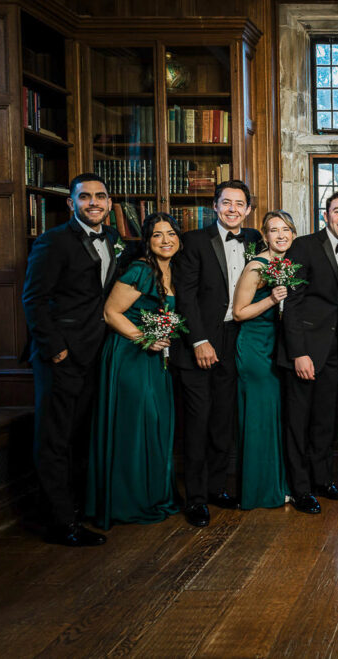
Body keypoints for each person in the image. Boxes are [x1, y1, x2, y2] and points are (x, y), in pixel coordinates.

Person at [22, 172, 121, 546]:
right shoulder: (53, 241)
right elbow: (33, 299)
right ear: (71, 203)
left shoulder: (113, 239)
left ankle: (78, 511)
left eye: (99, 196)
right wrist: (55, 349)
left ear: (109, 203)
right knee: (55, 439)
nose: (93, 203)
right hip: (61, 357)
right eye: (85, 197)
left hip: (97, 353)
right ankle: (61, 522)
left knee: (82, 437)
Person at [173, 180, 261, 527]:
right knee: (198, 421)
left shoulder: (255, 240)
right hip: (201, 342)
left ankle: (216, 488)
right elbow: (186, 295)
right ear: (215, 205)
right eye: (227, 203)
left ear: (248, 209)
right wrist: (198, 341)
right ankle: (195, 499)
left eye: (240, 204)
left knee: (224, 419)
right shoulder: (194, 241)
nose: (233, 209)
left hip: (238, 338)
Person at [86, 213, 181, 530]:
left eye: (170, 233)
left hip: (155, 358)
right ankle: (128, 501)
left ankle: (151, 494)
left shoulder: (172, 271)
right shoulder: (141, 270)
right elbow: (110, 312)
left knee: (154, 423)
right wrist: (146, 338)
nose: (165, 240)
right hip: (129, 355)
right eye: (157, 235)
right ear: (147, 241)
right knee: (134, 426)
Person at [280, 191, 338, 515]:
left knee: (324, 421)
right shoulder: (304, 246)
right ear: (325, 215)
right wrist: (298, 353)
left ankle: (322, 481)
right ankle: (300, 489)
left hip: (333, 351)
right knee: (298, 422)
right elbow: (292, 303)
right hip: (305, 350)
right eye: (337, 211)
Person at [231, 211, 298, 510]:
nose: (281, 235)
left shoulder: (287, 265)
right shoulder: (256, 266)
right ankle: (259, 491)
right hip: (256, 348)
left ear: (293, 234)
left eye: (286, 229)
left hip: (277, 347)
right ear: (265, 236)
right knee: (259, 416)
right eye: (274, 230)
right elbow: (239, 312)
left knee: (273, 416)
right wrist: (271, 299)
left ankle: (275, 483)